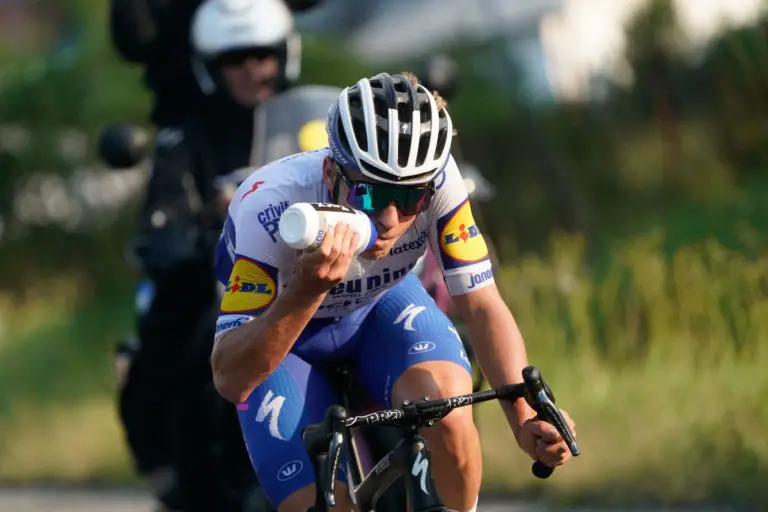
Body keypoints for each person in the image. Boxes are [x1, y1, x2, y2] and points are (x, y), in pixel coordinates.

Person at [211, 72, 577, 512]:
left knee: (447, 415)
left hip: (377, 308)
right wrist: (305, 292)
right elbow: (230, 378)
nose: (388, 219)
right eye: (369, 194)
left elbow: (481, 304)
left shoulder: (439, 180)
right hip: (285, 335)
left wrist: (525, 416)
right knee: (320, 505)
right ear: (331, 173)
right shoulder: (270, 207)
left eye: (408, 200)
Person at [108, 0, 320, 509]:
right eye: (234, 59)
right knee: (192, 337)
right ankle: (190, 479)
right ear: (209, 65)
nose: (252, 69)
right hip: (230, 287)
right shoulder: (186, 136)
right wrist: (182, 235)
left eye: (262, 54)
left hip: (316, 279)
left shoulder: (318, 125)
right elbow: (162, 223)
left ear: (285, 53)